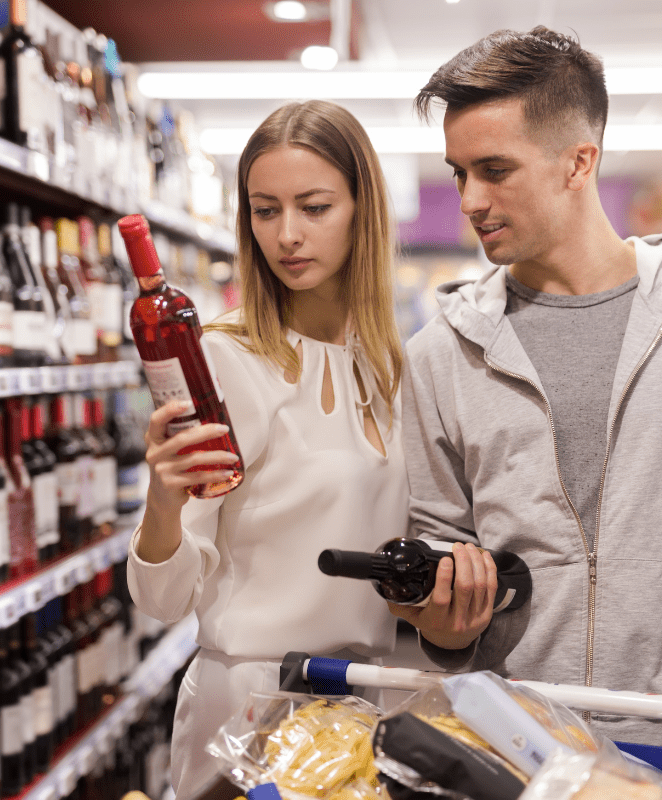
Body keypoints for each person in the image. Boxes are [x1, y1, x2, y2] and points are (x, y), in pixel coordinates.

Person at [394, 27, 662, 745]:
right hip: (514, 746)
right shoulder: (443, 353)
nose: (471, 199)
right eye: (458, 173)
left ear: (579, 161)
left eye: (495, 169)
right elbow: (441, 552)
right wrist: (441, 620)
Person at [125, 100, 406, 798]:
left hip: (361, 706)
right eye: (264, 209)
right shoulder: (222, 360)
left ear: (362, 211)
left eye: (314, 207)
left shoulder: (393, 366)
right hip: (249, 709)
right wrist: (163, 503)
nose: (287, 235)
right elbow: (162, 598)